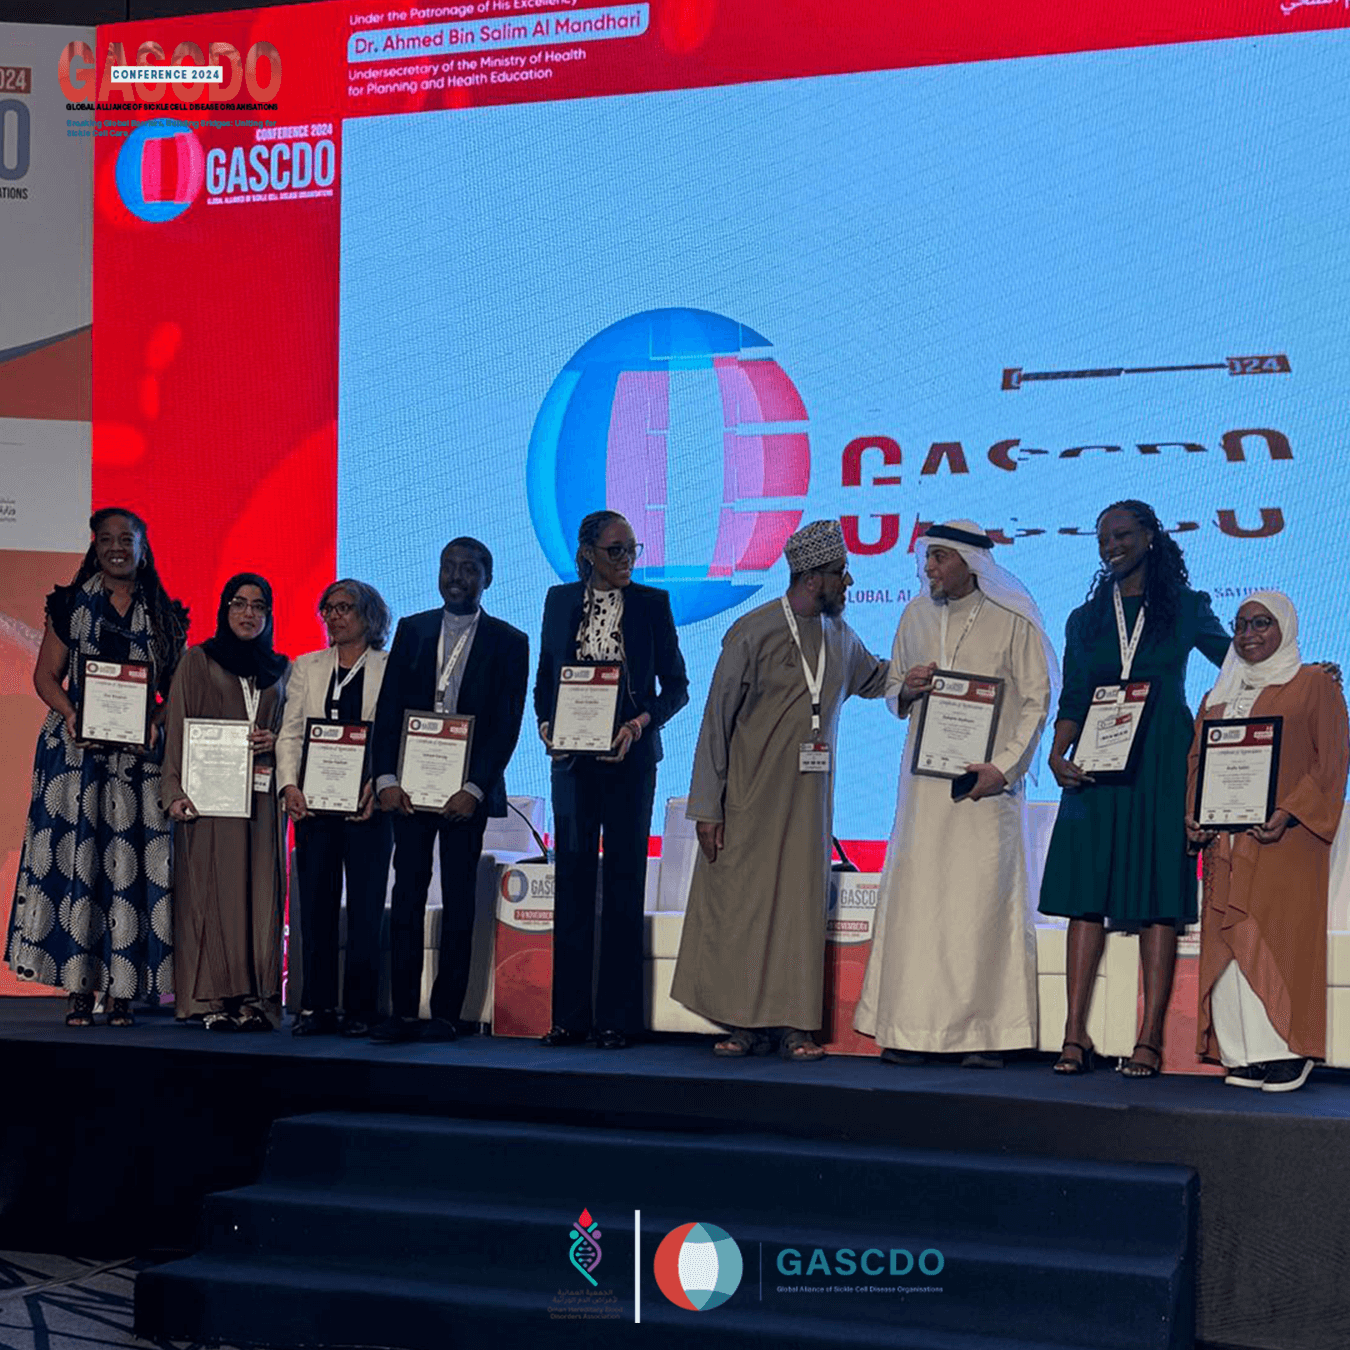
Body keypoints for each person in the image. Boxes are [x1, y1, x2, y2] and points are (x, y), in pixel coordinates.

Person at [671, 519, 888, 1062]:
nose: (848, 581)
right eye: (840, 572)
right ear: (813, 579)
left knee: (797, 913)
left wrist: (924, 679)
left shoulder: (841, 636)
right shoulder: (753, 632)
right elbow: (715, 722)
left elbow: (877, 678)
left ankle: (795, 1027)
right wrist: (707, 807)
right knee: (742, 911)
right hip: (747, 802)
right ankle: (742, 1024)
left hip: (808, 809)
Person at [854, 521, 1056, 1068]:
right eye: (927, 558)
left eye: (940, 558)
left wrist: (1004, 769)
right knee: (920, 903)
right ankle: (909, 1029)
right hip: (924, 789)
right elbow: (894, 688)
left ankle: (983, 1034)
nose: (929, 569)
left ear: (972, 562)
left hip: (985, 791)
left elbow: (1036, 701)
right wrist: (907, 688)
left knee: (980, 907)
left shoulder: (1013, 619)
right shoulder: (914, 615)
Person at [1039, 501, 1230, 1077]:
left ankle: (1149, 1040)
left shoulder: (1186, 607)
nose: (1111, 546)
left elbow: (1237, 662)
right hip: (1096, 763)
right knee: (1084, 894)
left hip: (1162, 761)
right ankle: (1073, 1035)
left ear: (1149, 537)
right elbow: (1074, 697)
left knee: (1158, 896)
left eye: (1121, 535)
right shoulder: (1086, 618)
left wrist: (1305, 674)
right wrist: (1057, 753)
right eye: (1103, 539)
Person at [5, 508, 188, 1026]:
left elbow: (175, 688)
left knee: (131, 869)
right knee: (77, 868)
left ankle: (124, 991)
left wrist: (155, 721)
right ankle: (79, 990)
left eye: (126, 539)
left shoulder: (165, 614)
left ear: (143, 548)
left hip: (137, 761)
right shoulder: (69, 605)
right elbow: (46, 676)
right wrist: (71, 714)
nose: (116, 548)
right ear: (95, 546)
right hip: (75, 758)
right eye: (106, 539)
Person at [534, 510, 689, 1050]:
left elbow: (677, 687)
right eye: (615, 550)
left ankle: (617, 1021)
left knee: (624, 883)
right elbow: (545, 678)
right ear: (588, 555)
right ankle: (569, 1018)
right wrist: (547, 726)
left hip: (630, 760)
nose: (626, 560)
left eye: (632, 550)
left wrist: (639, 724)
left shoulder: (651, 604)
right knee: (573, 882)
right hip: (572, 763)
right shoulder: (559, 602)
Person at [1186, 593, 1348, 1093]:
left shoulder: (1313, 684)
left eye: (1261, 623)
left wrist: (1289, 813)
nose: (1248, 634)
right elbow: (1197, 764)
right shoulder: (1217, 696)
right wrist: (1194, 816)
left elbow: (1331, 762)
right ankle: (1243, 1053)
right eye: (1240, 625)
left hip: (1286, 840)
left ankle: (1286, 1050)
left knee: (1279, 937)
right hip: (1226, 845)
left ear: (1286, 629)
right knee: (1227, 942)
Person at [370, 537, 528, 1043]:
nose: (457, 576)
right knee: (407, 895)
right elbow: (388, 710)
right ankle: (401, 1013)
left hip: (465, 793)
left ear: (488, 578)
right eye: (448, 566)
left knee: (460, 899)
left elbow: (506, 725)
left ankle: (446, 1015)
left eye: (468, 569)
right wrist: (385, 780)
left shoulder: (509, 641)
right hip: (409, 791)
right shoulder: (413, 630)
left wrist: (476, 788)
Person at [161, 574, 288, 1031]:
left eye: (259, 605)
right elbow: (178, 726)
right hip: (209, 798)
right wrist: (173, 791)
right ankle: (212, 999)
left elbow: (294, 730)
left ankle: (257, 1001)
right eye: (239, 603)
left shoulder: (281, 669)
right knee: (212, 893)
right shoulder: (198, 660)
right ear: (224, 609)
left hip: (263, 801)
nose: (248, 613)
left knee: (260, 895)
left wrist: (277, 739)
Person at [277, 579, 393, 1038]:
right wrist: (289, 785)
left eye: (345, 607)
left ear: (369, 615)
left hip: (368, 805)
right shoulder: (307, 666)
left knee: (366, 909)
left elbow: (395, 734)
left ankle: (361, 1009)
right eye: (328, 608)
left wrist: (378, 782)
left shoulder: (390, 666)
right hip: (314, 806)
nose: (335, 616)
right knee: (316, 909)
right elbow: (290, 732)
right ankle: (316, 1006)